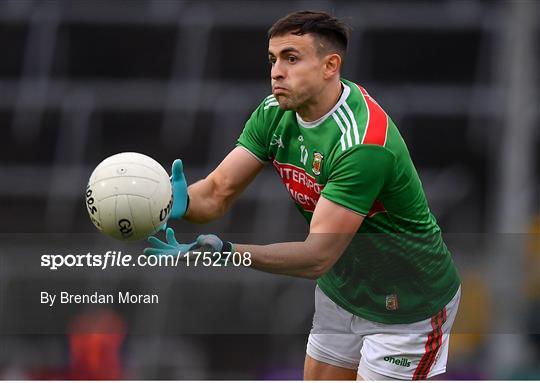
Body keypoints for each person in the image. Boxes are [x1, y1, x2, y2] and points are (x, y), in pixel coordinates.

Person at [144, 10, 461, 380]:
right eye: (273, 59)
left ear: (330, 66)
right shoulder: (273, 113)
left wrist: (228, 254)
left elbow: (316, 257)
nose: (277, 71)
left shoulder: (361, 144)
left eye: (291, 58)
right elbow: (216, 192)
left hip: (408, 305)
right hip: (343, 288)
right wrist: (168, 203)